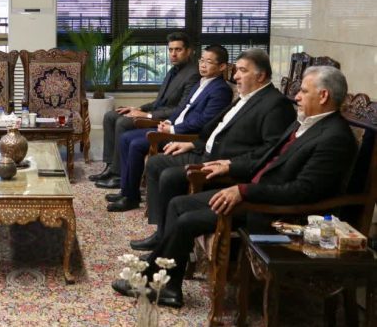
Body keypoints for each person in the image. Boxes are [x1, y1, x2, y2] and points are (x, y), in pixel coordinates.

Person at [112, 66, 358, 308]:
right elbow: (264, 157)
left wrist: (243, 191)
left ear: (323, 96)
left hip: (271, 210)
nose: (297, 97)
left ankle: (158, 285)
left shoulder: (334, 137)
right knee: (178, 204)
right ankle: (167, 284)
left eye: (303, 91)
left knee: (187, 219)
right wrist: (229, 165)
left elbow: (302, 192)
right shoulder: (305, 123)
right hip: (255, 192)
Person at [130, 48, 296, 252]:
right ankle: (160, 232)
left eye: (242, 71)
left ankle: (165, 237)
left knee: (170, 175)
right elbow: (217, 128)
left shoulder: (275, 104)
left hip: (222, 163)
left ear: (261, 76)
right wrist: (193, 144)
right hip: (205, 151)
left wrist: (230, 165)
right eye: (236, 70)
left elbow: (269, 152)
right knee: (157, 162)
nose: (235, 76)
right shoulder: (248, 95)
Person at [105, 45, 233, 212]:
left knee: (136, 144)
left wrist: (173, 129)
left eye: (208, 62)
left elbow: (205, 121)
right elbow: (182, 108)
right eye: (201, 60)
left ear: (222, 66)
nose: (202, 65)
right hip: (174, 128)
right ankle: (126, 190)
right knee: (125, 138)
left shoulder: (221, 90)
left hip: (185, 136)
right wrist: (168, 122)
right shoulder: (201, 82)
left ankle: (131, 198)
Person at [93, 32, 200, 189]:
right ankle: (110, 167)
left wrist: (147, 115)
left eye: (178, 50)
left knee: (123, 122)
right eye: (170, 50)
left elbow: (180, 109)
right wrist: (138, 108)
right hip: (157, 112)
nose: (173, 54)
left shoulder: (193, 74)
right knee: (111, 116)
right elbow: (160, 101)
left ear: (189, 51)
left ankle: (119, 174)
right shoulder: (173, 71)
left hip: (165, 120)